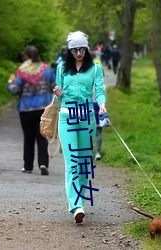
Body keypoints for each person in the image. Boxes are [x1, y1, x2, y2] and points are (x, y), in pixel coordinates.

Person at [53, 31, 106, 223]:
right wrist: (58, 92)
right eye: (74, 50)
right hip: (67, 116)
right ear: (69, 50)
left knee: (84, 163)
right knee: (72, 162)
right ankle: (76, 205)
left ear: (87, 48)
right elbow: (59, 97)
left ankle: (80, 198)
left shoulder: (95, 68)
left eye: (82, 49)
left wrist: (101, 104)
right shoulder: (61, 68)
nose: (78, 53)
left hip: (86, 117)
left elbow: (99, 90)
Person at [7, 45, 56, 175]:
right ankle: (43, 163)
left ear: (26, 57)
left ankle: (28, 166)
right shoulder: (47, 70)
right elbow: (54, 87)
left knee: (28, 138)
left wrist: (10, 83)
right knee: (42, 137)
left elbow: (15, 90)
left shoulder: (22, 71)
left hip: (26, 109)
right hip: (43, 109)